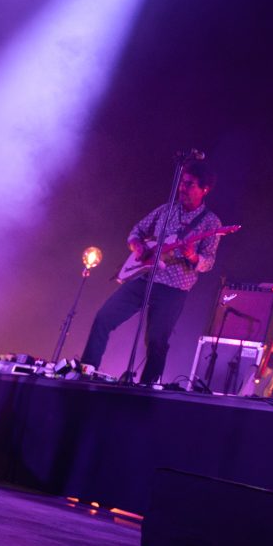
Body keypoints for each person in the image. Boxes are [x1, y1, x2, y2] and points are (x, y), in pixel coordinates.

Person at [81, 160, 221, 385]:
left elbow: (209, 262)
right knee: (103, 318)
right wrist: (137, 246)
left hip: (173, 289)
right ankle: (86, 371)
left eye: (190, 184)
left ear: (205, 189)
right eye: (182, 182)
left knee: (157, 341)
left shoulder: (211, 223)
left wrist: (193, 256)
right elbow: (137, 230)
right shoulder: (166, 209)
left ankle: (147, 388)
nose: (182, 188)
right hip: (144, 277)